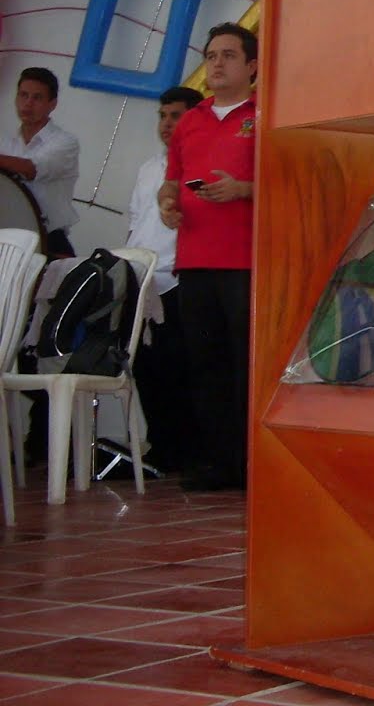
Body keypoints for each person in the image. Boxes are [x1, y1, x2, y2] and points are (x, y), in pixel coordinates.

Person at [157, 25, 257, 492]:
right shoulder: (190, 120)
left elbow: (291, 179)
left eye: (229, 56)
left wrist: (243, 190)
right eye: (211, 55)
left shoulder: (267, 114)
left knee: (245, 364)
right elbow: (171, 181)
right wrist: (168, 204)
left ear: (252, 66)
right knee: (205, 363)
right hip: (194, 259)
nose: (217, 64)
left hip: (246, 261)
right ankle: (217, 461)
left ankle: (250, 463)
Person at [128, 85, 204, 474]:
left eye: (175, 116)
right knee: (144, 365)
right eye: (162, 115)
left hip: (178, 277)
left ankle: (188, 450)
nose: (166, 124)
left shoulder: (200, 164)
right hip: (142, 280)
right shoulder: (147, 169)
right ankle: (161, 445)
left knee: (180, 366)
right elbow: (136, 225)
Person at [0, 66, 80, 258]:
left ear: (53, 104)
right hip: (7, 237)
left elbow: (31, 169)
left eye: (37, 98)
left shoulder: (65, 143)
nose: (28, 103)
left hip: (48, 240)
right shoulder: (5, 143)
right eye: (23, 95)